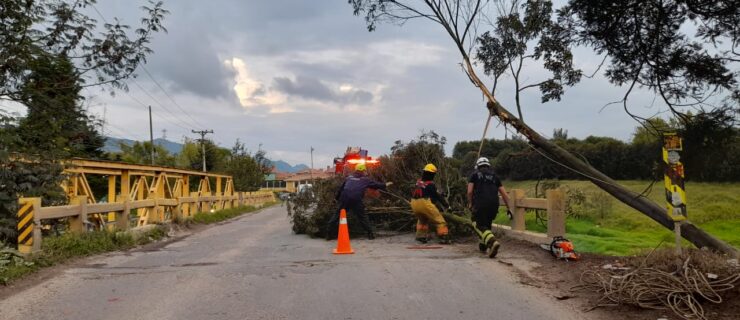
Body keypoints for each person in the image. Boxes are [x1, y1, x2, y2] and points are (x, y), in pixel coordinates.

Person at [326, 163, 391, 240]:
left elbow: (341, 189)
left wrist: (336, 199)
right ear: (362, 170)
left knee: (337, 215)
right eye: (364, 170)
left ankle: (328, 234)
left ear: (356, 170)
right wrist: (385, 185)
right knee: (362, 216)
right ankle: (370, 234)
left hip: (345, 198)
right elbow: (376, 185)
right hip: (356, 199)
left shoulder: (349, 178)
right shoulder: (365, 179)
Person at [467, 157, 512, 258]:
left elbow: (469, 192)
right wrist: (509, 208)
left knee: (477, 224)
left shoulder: (474, 175)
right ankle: (483, 245)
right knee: (487, 224)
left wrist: (470, 203)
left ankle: (492, 241)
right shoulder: (495, 176)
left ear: (478, 166)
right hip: (494, 205)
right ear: (488, 165)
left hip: (480, 204)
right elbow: (504, 194)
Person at [410, 163, 450, 244]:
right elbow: (437, 196)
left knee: (422, 220)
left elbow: (428, 191)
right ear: (432, 174)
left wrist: (441, 193)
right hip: (424, 203)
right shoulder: (431, 184)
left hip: (414, 203)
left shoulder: (418, 182)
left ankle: (420, 237)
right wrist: (447, 206)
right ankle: (444, 237)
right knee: (439, 220)